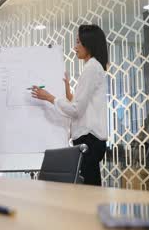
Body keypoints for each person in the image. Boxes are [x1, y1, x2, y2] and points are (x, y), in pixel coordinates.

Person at [31, 24, 108, 186]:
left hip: (89, 140)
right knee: (89, 191)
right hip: (90, 140)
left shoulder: (92, 68)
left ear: (89, 44)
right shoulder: (94, 67)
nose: (75, 47)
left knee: (88, 193)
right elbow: (82, 106)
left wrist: (49, 98)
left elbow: (76, 110)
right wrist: (67, 91)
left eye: (79, 42)